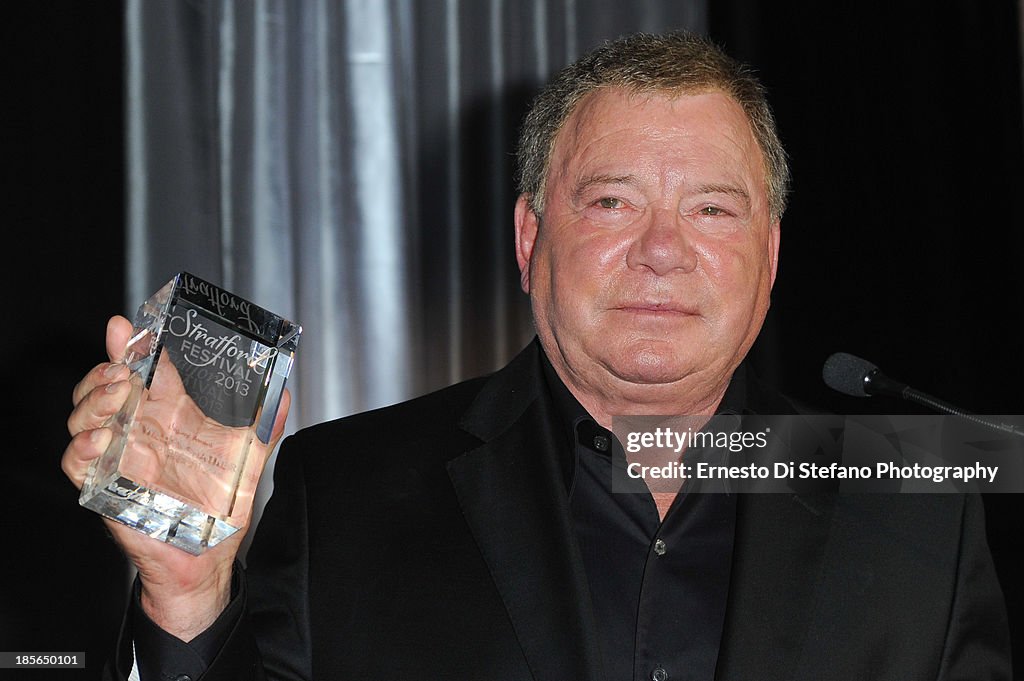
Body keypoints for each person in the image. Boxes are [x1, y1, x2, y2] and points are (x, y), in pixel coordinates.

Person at [64, 31, 1010, 680]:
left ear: (769, 257)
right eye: (611, 201)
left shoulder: (916, 511)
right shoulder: (344, 492)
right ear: (528, 239)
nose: (663, 248)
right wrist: (187, 595)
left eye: (712, 208)